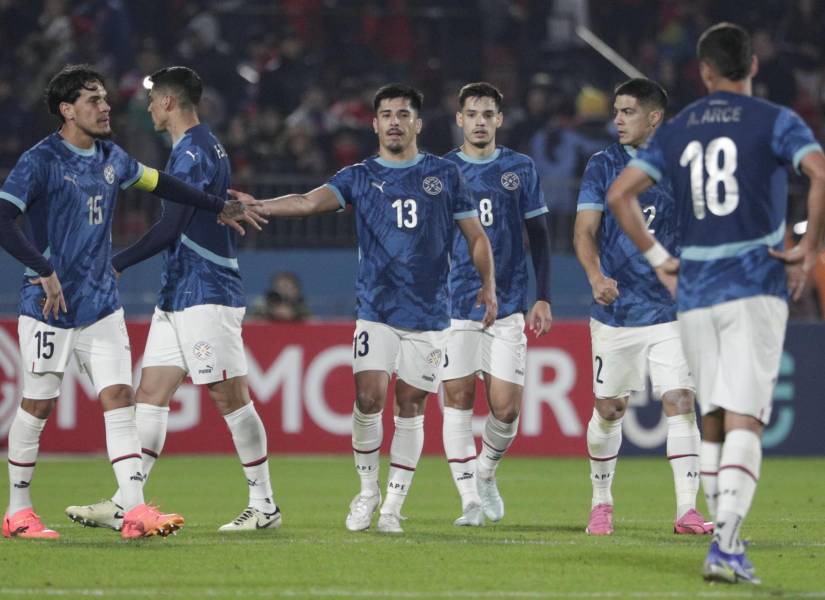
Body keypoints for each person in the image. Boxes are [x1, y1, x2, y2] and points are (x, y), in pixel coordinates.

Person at [0, 64, 259, 540]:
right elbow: (3, 219)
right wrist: (43, 268)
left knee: (120, 399)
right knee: (37, 405)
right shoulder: (41, 160)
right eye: (93, 100)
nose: (106, 107)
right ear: (67, 110)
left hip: (101, 303)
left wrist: (215, 203)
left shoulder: (112, 157)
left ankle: (134, 510)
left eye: (104, 98)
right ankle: (18, 511)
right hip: (49, 307)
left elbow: (163, 184)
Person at [606, 23, 825, 584]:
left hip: (695, 289)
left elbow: (619, 195)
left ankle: (723, 536)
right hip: (753, 283)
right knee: (747, 414)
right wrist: (807, 249)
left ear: (703, 71)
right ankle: (726, 545)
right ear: (753, 65)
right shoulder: (777, 120)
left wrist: (660, 259)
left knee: (714, 416)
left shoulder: (678, 129)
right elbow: (819, 171)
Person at [229, 84, 497, 534]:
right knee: (368, 399)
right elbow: (308, 201)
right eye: (386, 114)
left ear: (417, 123)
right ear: (374, 124)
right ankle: (368, 490)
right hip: (377, 308)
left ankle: (393, 505)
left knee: (411, 407)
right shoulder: (359, 176)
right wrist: (259, 206)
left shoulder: (445, 175)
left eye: (403, 114)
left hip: (431, 314)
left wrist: (488, 285)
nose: (394, 122)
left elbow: (476, 236)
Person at [63, 66, 281, 533]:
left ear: (167, 102)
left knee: (229, 396)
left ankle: (264, 505)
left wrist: (116, 263)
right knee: (151, 395)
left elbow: (170, 228)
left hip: (206, 291)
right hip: (179, 292)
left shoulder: (192, 152)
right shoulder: (204, 146)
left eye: (151, 100)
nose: (147, 108)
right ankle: (126, 502)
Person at [574, 78, 711, 537]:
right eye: (616, 110)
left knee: (680, 400)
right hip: (616, 311)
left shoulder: (683, 165)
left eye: (628, 111)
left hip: (671, 309)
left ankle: (687, 510)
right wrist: (595, 277)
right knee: (610, 408)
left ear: (654, 117)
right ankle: (601, 502)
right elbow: (584, 230)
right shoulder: (603, 165)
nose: (617, 119)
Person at [440, 82, 552, 527]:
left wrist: (543, 296)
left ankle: (485, 471)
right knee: (458, 400)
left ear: (499, 120)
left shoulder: (520, 169)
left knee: (506, 409)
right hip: (455, 305)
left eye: (488, 114)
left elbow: (539, 237)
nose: (480, 122)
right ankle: (468, 499)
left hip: (508, 306)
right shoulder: (443, 171)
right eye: (472, 114)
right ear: (460, 119)